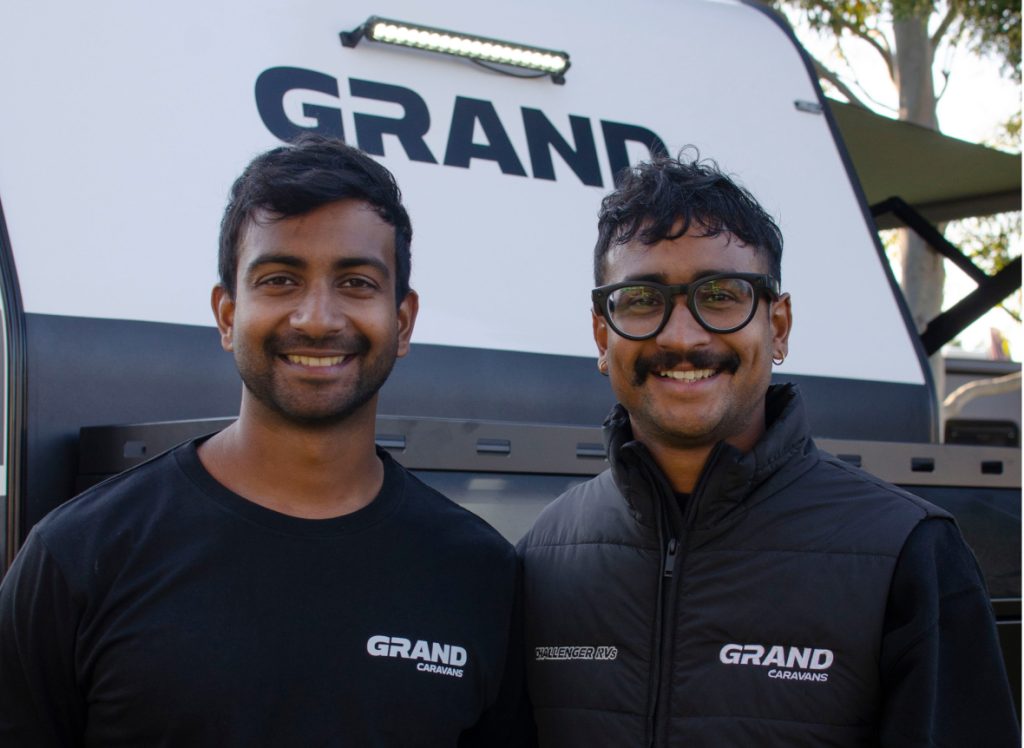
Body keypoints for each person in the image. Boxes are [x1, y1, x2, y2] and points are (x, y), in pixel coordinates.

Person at [0, 135, 529, 746]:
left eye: (356, 282)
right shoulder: (79, 555)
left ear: (402, 321)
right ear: (227, 315)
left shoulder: (478, 573)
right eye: (280, 279)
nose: (317, 318)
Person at [517, 153, 1019, 746]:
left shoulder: (908, 554)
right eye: (642, 300)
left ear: (777, 326)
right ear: (604, 335)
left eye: (722, 295)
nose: (682, 337)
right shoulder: (542, 556)